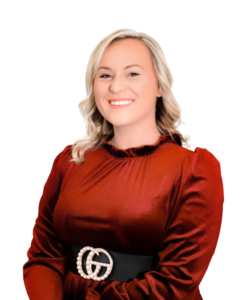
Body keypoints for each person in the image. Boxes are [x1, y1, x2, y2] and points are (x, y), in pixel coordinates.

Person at [23, 28, 224, 300]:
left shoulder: (194, 169)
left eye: (133, 73)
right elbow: (42, 258)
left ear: (160, 86)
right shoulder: (69, 162)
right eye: (105, 75)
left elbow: (176, 281)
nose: (116, 86)